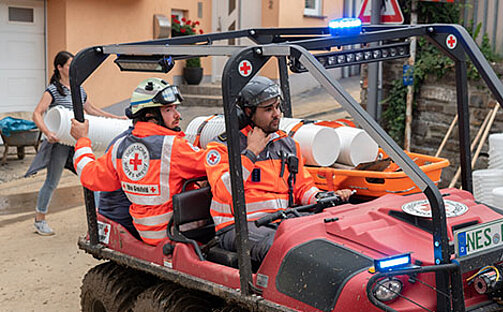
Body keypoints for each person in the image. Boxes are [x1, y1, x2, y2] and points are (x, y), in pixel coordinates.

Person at [205, 76, 352, 262]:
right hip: (237, 227)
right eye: (268, 109)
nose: (277, 114)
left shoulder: (287, 144)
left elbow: (302, 187)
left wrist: (323, 197)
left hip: (282, 221)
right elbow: (225, 191)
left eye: (277, 107)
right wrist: (251, 153)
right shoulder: (221, 148)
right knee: (287, 249)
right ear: (247, 113)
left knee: (333, 234)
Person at [70, 77, 208, 245]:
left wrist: (82, 140)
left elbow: (89, 175)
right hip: (176, 229)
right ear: (150, 115)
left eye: (175, 108)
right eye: (168, 110)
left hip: (146, 231)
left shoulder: (120, 146)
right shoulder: (172, 146)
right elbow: (213, 164)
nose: (177, 115)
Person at [30, 50, 124, 236]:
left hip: (77, 141)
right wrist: (48, 132)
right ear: (59, 68)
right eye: (69, 65)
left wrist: (116, 119)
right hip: (60, 143)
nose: (73, 68)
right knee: (52, 181)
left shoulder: (78, 88)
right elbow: (37, 113)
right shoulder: (53, 90)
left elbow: (92, 110)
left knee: (91, 178)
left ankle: (98, 220)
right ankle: (40, 220)